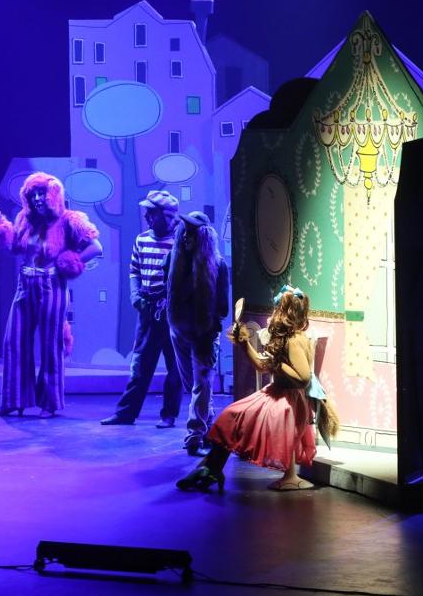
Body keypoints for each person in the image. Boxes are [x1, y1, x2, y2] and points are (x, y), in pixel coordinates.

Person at [176, 285, 324, 492]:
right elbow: (262, 365)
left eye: (278, 308)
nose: (274, 312)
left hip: (288, 401)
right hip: (276, 393)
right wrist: (244, 343)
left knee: (235, 416)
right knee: (231, 414)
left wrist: (277, 364)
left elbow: (303, 378)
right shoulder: (284, 338)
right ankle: (210, 468)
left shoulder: (294, 340)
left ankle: (209, 468)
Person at [0, 172, 102, 417]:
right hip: (25, 285)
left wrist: (68, 262)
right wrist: (0, 228)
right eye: (33, 195)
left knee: (51, 343)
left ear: (53, 195)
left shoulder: (69, 220)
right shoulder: (25, 219)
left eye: (42, 193)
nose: (38, 199)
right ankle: (14, 400)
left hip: (51, 286)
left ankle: (49, 403)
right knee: (14, 340)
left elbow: (96, 247)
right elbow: (14, 246)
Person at [99, 190, 182, 428]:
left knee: (175, 366)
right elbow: (134, 270)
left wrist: (172, 301)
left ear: (166, 215)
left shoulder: (180, 241)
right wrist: (136, 296)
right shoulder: (142, 239)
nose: (147, 216)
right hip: (148, 311)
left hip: (172, 314)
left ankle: (169, 414)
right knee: (140, 365)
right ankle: (126, 413)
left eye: (152, 213)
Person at [166, 211, 229, 455]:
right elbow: (167, 291)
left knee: (201, 385)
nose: (186, 237)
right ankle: (209, 429)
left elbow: (222, 308)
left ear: (203, 237)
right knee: (195, 385)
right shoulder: (173, 260)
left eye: (192, 233)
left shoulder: (218, 266)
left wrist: (210, 331)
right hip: (179, 332)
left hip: (204, 335)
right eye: (184, 232)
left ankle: (194, 436)